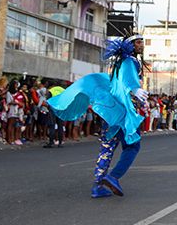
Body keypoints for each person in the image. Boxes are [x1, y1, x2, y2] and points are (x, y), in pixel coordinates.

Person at [48, 32, 148, 199]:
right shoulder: (130, 61)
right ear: (130, 46)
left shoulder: (119, 63)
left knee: (107, 148)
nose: (141, 45)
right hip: (122, 112)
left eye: (141, 42)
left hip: (110, 111)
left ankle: (97, 186)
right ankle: (113, 177)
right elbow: (127, 78)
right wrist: (134, 88)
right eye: (138, 42)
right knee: (132, 146)